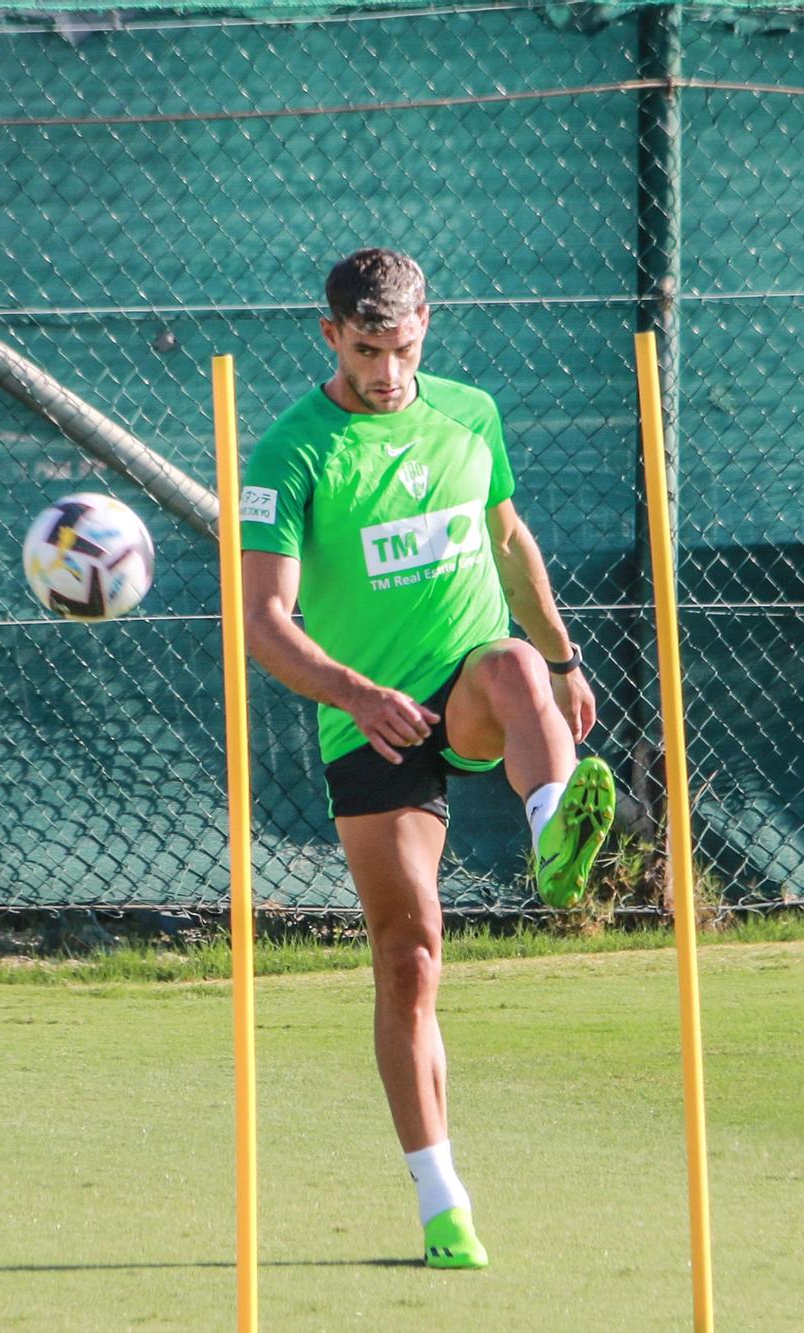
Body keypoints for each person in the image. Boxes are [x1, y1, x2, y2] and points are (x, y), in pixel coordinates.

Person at [238, 248, 613, 1268]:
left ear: (424, 329)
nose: (387, 370)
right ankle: (441, 1200)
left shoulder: (466, 413)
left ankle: (553, 836)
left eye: (401, 346)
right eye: (366, 349)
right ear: (329, 337)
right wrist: (356, 696)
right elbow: (264, 624)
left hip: (466, 685)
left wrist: (562, 656)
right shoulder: (286, 454)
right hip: (365, 719)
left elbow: (506, 541)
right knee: (407, 956)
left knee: (505, 661)